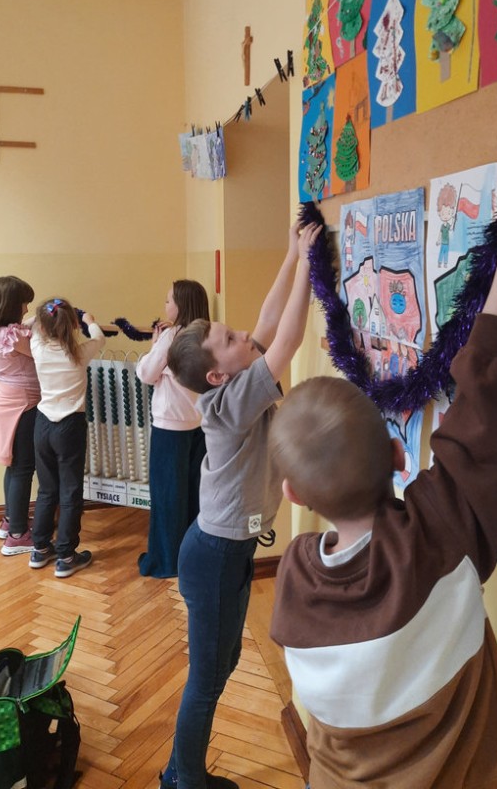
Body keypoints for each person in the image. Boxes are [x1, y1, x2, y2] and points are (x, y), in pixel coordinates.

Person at [268, 144, 497, 789]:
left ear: (294, 494)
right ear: (400, 454)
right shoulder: (437, 537)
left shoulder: (295, 582)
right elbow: (484, 393)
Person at [160, 220, 322, 789]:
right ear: (217, 373)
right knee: (206, 680)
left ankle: (180, 770)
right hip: (216, 556)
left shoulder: (233, 381)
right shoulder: (232, 401)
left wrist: (290, 256)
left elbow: (269, 323)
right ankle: (183, 779)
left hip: (224, 551)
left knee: (221, 666)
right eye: (231, 339)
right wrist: (309, 263)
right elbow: (288, 340)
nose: (244, 336)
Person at [137, 280, 211, 578]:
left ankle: (166, 561)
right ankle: (192, 556)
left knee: (167, 496)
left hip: (170, 428)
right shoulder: (208, 334)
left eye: (169, 300)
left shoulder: (172, 337)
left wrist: (155, 345)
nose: (165, 305)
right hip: (200, 425)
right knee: (194, 494)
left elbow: (146, 373)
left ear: (181, 305)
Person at [28, 298, 105, 578]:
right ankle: (66, 556)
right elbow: (99, 338)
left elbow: (29, 325)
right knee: (70, 490)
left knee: (47, 490)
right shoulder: (79, 352)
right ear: (73, 324)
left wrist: (41, 318)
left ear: (42, 326)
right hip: (69, 427)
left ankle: (40, 549)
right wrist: (90, 321)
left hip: (42, 426)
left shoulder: (37, 347)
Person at [0, 275, 40, 556]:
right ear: (10, 305)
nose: (26, 308)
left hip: (9, 401)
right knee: (23, 468)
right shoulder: (13, 336)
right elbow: (39, 351)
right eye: (23, 303)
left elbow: (26, 330)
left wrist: (38, 319)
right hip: (22, 405)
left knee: (13, 466)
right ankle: (17, 536)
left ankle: (11, 520)